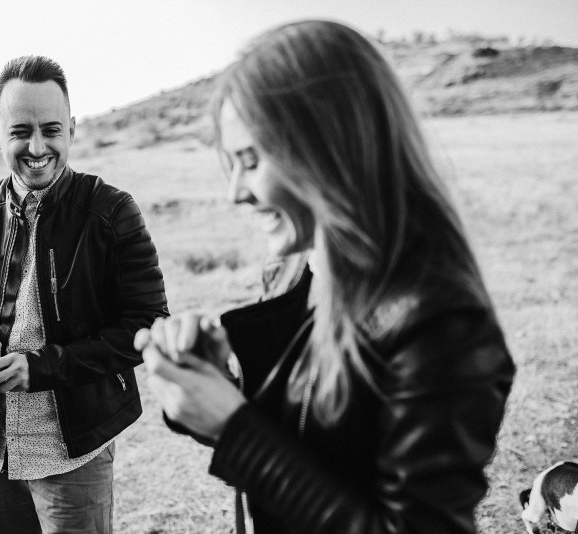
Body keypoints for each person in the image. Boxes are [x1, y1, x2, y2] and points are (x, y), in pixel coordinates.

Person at [135, 20, 515, 533]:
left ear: (329, 150)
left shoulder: (440, 322)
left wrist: (234, 427)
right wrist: (219, 383)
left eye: (250, 161)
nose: (235, 193)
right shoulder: (302, 275)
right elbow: (315, 452)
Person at [0, 55, 168, 534]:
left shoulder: (113, 212)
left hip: (75, 453)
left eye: (51, 129)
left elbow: (144, 327)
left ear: (73, 129)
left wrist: (38, 368)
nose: (37, 146)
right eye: (20, 131)